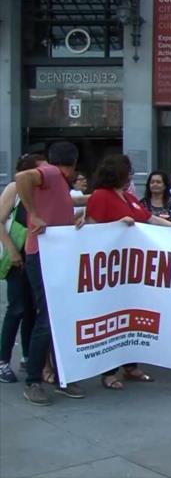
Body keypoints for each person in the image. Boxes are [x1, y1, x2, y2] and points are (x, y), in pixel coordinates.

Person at [83, 154, 171, 390]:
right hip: (112, 270)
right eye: (128, 171)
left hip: (133, 272)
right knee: (112, 319)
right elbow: (92, 230)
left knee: (132, 317)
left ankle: (130, 365)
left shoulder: (128, 197)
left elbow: (150, 219)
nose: (130, 175)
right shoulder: (100, 196)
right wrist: (117, 225)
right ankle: (108, 371)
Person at [15, 141, 87, 404]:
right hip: (42, 255)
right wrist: (33, 214)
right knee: (47, 318)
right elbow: (22, 178)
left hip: (53, 255)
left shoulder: (58, 181)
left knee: (57, 318)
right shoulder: (53, 173)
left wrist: (73, 218)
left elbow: (56, 208)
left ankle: (60, 376)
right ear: (74, 162)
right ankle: (34, 380)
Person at [0, 154, 45, 383]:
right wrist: (12, 250)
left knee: (32, 310)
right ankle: (2, 361)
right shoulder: (14, 189)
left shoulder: (43, 192)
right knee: (17, 308)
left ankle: (28, 357)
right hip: (17, 257)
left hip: (36, 257)